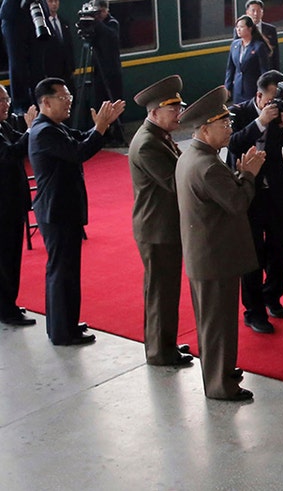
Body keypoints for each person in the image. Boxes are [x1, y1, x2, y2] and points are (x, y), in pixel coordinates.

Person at [176, 86, 264, 401]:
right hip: (216, 257)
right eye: (223, 124)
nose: (229, 129)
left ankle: (222, 371)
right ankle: (220, 385)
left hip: (207, 254)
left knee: (214, 322)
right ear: (204, 128)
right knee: (218, 324)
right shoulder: (210, 165)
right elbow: (238, 203)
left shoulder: (192, 155)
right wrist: (249, 175)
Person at [28, 77, 124, 345]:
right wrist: (101, 128)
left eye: (69, 96)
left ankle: (65, 323)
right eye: (63, 98)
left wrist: (98, 127)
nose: (69, 101)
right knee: (61, 273)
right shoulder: (44, 131)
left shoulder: (54, 127)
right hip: (57, 212)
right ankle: (62, 332)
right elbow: (79, 152)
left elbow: (80, 138)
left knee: (66, 272)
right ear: (45, 102)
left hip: (61, 210)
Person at [228, 70, 283, 331]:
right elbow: (233, 143)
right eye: (271, 100)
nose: (275, 105)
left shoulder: (282, 111)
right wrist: (260, 121)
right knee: (253, 253)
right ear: (259, 95)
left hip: (277, 190)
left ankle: (272, 296)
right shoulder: (239, 112)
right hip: (248, 192)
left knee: (280, 248)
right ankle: (253, 310)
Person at [128, 75, 193, 366]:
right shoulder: (147, 145)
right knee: (160, 293)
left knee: (165, 291)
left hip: (163, 227)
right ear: (154, 112)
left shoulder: (158, 136)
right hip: (157, 229)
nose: (178, 113)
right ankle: (159, 352)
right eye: (173, 109)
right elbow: (174, 180)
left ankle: (164, 344)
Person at [0, 84, 36, 327]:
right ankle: (6, 309)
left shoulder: (4, 125)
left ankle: (9, 302)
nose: (8, 104)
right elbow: (10, 154)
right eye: (3, 101)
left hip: (12, 202)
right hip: (3, 207)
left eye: (7, 99)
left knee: (12, 257)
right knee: (5, 259)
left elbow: (15, 141)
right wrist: (31, 130)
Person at [88, 0, 125, 119]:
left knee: (114, 100)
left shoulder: (112, 23)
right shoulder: (95, 25)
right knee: (100, 101)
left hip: (112, 70)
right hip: (99, 70)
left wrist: (97, 23)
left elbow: (111, 36)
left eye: (101, 11)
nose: (99, 15)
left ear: (107, 10)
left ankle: (117, 128)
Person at [224, 15, 272, 105]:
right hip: (238, 88)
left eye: (241, 27)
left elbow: (264, 70)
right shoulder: (235, 45)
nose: (238, 29)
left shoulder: (258, 46)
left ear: (250, 29)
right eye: (237, 27)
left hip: (253, 88)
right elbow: (230, 68)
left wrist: (263, 89)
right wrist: (227, 87)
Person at [42, 0, 75, 87]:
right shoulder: (43, 24)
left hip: (66, 70)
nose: (54, 4)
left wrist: (72, 67)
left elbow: (69, 45)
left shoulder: (64, 22)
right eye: (50, 1)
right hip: (50, 70)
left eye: (56, 1)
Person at [245, 0, 280, 71]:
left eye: (258, 11)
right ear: (247, 12)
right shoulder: (241, 30)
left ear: (262, 13)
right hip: (249, 71)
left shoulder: (271, 29)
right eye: (253, 10)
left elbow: (275, 55)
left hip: (266, 69)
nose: (255, 14)